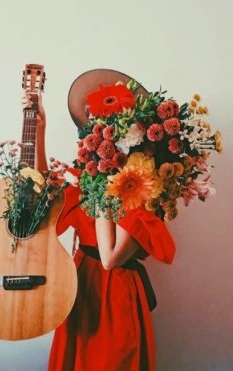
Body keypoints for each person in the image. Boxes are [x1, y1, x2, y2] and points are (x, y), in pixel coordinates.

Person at [22, 69, 176, 371]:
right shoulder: (88, 179)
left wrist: (107, 184)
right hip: (78, 286)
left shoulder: (143, 190)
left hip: (116, 295)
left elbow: (111, 259)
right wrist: (39, 130)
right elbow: (42, 197)